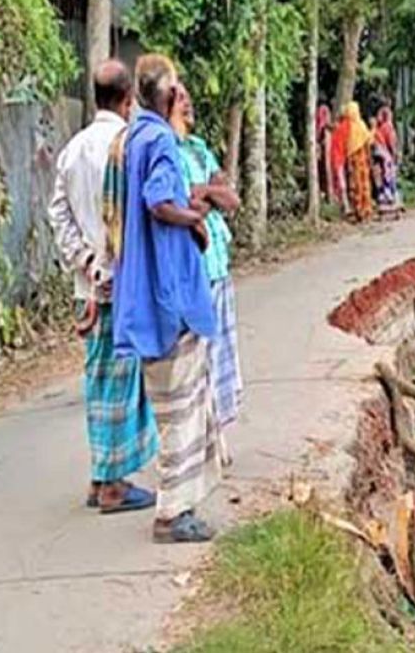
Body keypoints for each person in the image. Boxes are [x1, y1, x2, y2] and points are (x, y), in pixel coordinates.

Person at [111, 54, 221, 544]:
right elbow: (158, 202)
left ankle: (179, 505)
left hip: (150, 290)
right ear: (170, 95)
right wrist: (194, 220)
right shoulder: (156, 139)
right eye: (178, 88)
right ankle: (173, 514)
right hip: (168, 295)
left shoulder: (134, 136)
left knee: (172, 403)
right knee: (179, 406)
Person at [49, 62, 157, 513]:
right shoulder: (127, 148)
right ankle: (114, 484)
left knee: (98, 379)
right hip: (122, 286)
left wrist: (87, 263)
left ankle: (100, 474)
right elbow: (127, 218)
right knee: (123, 383)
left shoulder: (72, 151)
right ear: (129, 99)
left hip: (86, 287)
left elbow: (58, 215)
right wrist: (109, 268)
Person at [171, 77, 245, 464]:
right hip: (193, 269)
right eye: (179, 98)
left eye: (187, 96)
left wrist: (205, 192)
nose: (188, 104)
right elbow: (185, 207)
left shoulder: (198, 149)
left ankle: (216, 440)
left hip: (218, 265)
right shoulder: (166, 152)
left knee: (219, 358)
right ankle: (202, 445)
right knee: (197, 361)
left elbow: (229, 199)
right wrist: (203, 196)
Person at [341, 102, 374, 221]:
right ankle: (366, 210)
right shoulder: (361, 125)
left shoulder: (347, 127)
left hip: (352, 161)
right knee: (364, 184)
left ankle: (358, 210)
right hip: (362, 160)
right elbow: (368, 142)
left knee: (355, 185)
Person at [372, 105, 401, 209]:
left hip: (377, 158)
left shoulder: (377, 129)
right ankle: (392, 200)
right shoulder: (388, 127)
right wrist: (395, 155)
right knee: (389, 179)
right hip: (386, 158)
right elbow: (391, 143)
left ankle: (382, 201)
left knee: (380, 180)